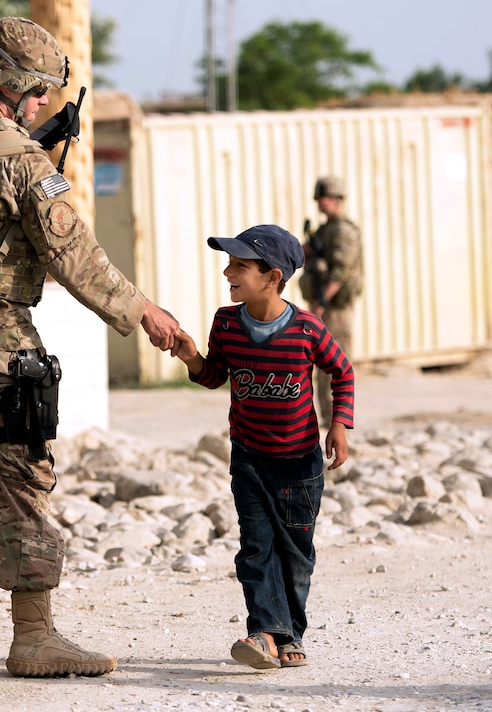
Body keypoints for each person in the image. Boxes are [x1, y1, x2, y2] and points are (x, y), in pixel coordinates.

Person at [0, 16, 179, 679]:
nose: (46, 103)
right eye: (41, 91)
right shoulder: (21, 162)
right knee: (23, 481)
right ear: (15, 85)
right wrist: (145, 313)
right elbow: (73, 255)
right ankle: (34, 636)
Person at [171, 223, 354, 670]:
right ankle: (264, 633)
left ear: (272, 277)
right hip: (249, 459)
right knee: (255, 547)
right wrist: (191, 355)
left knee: (295, 553)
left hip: (299, 465)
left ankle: (289, 634)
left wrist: (340, 426)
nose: (227, 272)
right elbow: (215, 375)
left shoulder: (308, 329)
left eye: (239, 265)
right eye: (229, 263)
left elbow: (342, 371)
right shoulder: (226, 322)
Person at [299, 176, 363, 425]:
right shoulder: (325, 230)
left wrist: (320, 304)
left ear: (339, 200)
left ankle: (339, 423)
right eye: (320, 198)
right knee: (321, 368)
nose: (321, 203)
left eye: (326, 198)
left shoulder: (343, 231)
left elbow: (340, 272)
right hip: (323, 306)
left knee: (336, 366)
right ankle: (326, 420)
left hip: (334, 308)